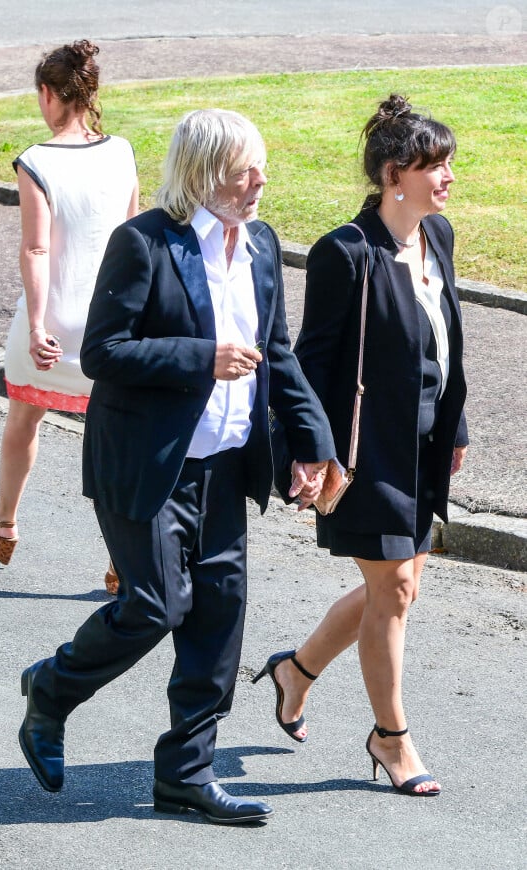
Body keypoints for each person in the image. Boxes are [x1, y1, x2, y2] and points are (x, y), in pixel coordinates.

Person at [17, 108, 334, 824]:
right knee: (157, 603)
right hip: (146, 464)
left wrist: (313, 444)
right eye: (242, 170)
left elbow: (277, 354)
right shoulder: (146, 243)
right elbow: (103, 352)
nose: (259, 181)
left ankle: (186, 774)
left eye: (261, 166)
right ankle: (52, 689)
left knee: (218, 619)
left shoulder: (259, 246)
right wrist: (203, 358)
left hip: (226, 465)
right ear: (201, 173)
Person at [254, 94, 468, 796]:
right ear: (392, 174)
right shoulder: (345, 252)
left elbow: (445, 347)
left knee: (396, 591)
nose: (447, 178)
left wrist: (454, 428)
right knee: (396, 587)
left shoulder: (438, 238)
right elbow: (310, 359)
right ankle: (392, 738)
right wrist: (309, 450)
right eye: (435, 166)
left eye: (447, 165)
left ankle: (296, 670)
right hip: (363, 448)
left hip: (423, 443)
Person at [0, 40, 139, 594]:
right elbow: (134, 238)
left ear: (48, 94)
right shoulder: (123, 152)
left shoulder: (37, 161)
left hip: (55, 319)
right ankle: (123, 558)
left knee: (24, 419)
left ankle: (3, 522)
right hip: (110, 323)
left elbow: (37, 250)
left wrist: (39, 324)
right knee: (113, 436)